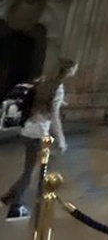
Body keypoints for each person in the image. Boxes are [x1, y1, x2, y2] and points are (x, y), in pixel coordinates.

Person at [2, 57, 77, 222]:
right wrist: (62, 139)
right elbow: (55, 118)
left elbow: (41, 98)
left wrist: (60, 102)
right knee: (31, 172)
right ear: (69, 70)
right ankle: (15, 208)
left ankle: (8, 197)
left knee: (34, 168)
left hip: (27, 129)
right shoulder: (58, 88)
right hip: (38, 134)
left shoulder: (43, 81)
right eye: (74, 68)